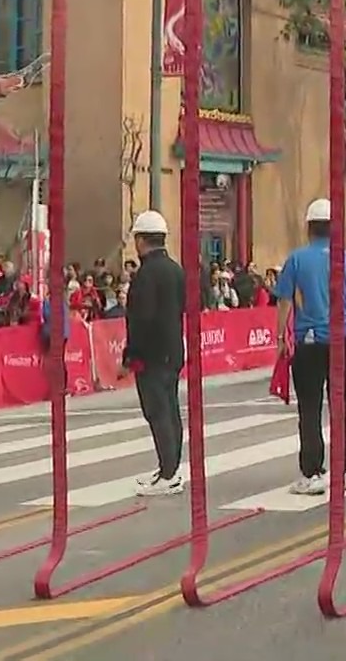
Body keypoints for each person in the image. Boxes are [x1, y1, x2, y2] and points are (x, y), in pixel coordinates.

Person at [276, 198, 346, 496]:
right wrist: (345, 308)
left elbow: (284, 300)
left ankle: (313, 472)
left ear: (309, 228)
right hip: (342, 338)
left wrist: (281, 336)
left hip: (309, 340)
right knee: (342, 405)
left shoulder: (296, 259)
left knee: (310, 407)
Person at [121, 210, 187, 497]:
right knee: (171, 411)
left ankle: (168, 473)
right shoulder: (176, 269)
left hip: (152, 354)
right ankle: (170, 467)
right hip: (173, 349)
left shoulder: (145, 275)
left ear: (140, 240)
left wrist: (130, 356)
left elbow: (141, 319)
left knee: (158, 412)